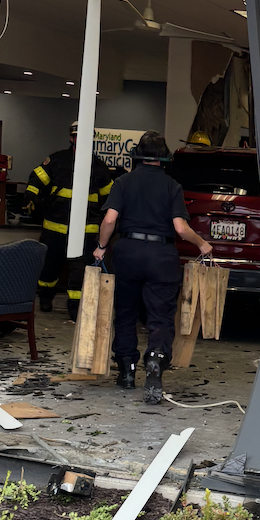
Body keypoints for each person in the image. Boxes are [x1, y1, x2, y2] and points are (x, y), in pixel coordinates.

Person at [92, 130, 212, 403]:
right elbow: (180, 228)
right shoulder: (172, 186)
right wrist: (202, 244)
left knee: (125, 314)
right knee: (160, 316)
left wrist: (101, 247)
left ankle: (126, 371)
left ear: (137, 156)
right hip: (161, 256)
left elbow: (110, 220)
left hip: (128, 252)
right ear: (164, 158)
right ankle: (156, 361)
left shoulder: (123, 182)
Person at [25, 121, 114, 319]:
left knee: (80, 272)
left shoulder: (99, 167)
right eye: (76, 136)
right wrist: (30, 197)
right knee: (49, 268)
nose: (79, 140)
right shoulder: (57, 160)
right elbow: (36, 180)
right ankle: (46, 298)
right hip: (55, 229)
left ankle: (76, 309)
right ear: (71, 138)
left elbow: (110, 198)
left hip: (86, 231)